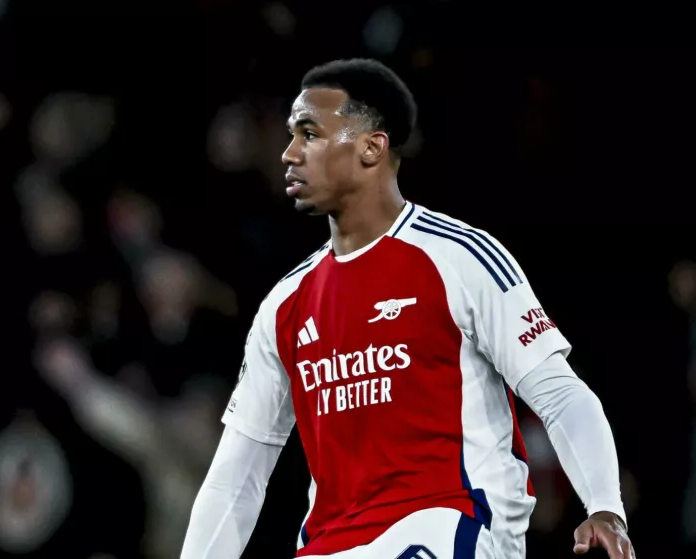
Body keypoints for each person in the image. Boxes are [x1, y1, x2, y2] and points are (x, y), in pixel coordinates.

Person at [180, 58, 635, 559]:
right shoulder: (284, 306)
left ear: (373, 147)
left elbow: (560, 393)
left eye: (309, 133)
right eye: (291, 135)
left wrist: (604, 505)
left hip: (452, 523)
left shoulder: (459, 258)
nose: (289, 153)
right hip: (331, 545)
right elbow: (235, 478)